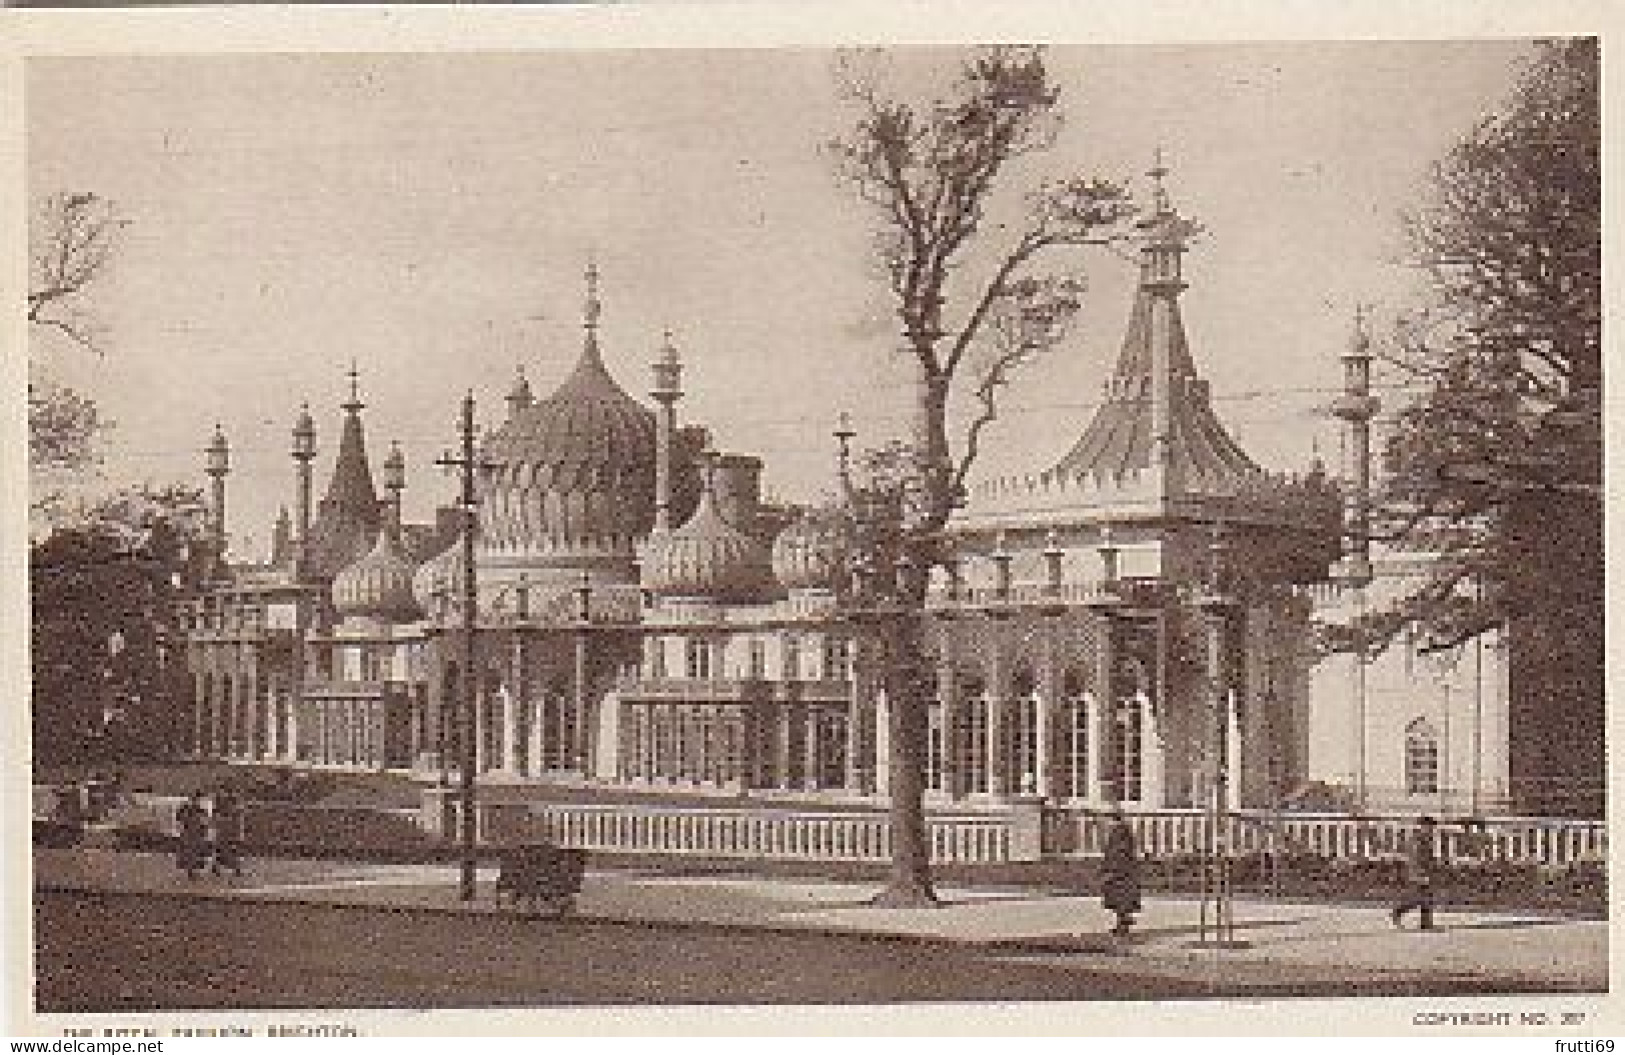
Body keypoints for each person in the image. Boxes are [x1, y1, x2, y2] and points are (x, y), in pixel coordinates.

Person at [1100, 806, 1142, 937]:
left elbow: (1118, 853)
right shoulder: (1122, 830)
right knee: (1120, 900)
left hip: (1120, 871)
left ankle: (1123, 924)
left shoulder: (1119, 831)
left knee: (1120, 899)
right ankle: (1123, 923)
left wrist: (1111, 870)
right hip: (1122, 870)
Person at [1391, 814, 1438, 930]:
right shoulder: (1418, 839)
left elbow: (1428, 857)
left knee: (1427, 897)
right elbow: (1416, 857)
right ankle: (1398, 911)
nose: (1431, 829)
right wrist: (1421, 873)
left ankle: (1426, 923)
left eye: (1432, 827)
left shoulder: (1427, 839)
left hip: (1424, 871)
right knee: (1419, 898)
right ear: (1423, 826)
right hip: (1418, 872)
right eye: (1429, 827)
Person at [209, 789, 245, 879]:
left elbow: (238, 821)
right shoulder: (220, 810)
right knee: (223, 850)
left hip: (229, 832)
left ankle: (236, 868)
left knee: (231, 849)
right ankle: (218, 867)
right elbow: (214, 820)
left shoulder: (236, 811)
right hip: (224, 832)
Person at [175, 793, 209, 880]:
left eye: (197, 799)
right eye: (194, 799)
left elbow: (205, 822)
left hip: (197, 835)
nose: (195, 801)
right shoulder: (186, 809)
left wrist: (204, 832)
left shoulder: (201, 810)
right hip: (189, 834)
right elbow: (179, 819)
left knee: (196, 853)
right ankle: (190, 872)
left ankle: (193, 872)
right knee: (189, 853)